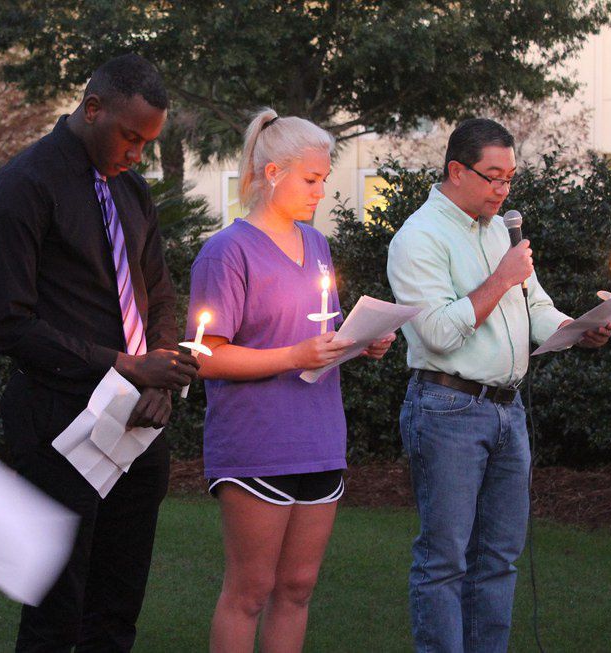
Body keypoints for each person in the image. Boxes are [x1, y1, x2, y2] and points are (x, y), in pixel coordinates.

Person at [0, 53, 199, 652]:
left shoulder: (131, 190)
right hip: (58, 419)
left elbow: (158, 293)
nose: (138, 154)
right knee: (54, 613)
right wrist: (126, 364)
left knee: (117, 609)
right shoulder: (26, 184)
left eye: (148, 142)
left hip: (137, 423)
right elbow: (8, 324)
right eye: (131, 137)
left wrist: (159, 378)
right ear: (93, 108)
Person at [387, 118, 611, 652]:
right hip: (447, 407)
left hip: (508, 411)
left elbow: (535, 306)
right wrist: (502, 277)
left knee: (499, 558)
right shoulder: (418, 237)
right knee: (445, 561)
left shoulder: (499, 230)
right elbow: (438, 333)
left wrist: (578, 328)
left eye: (510, 178)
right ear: (456, 171)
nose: (503, 191)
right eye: (493, 177)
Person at [186, 109, 395, 653]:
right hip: (257, 441)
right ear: (273, 173)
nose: (321, 192)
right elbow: (205, 357)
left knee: (298, 587)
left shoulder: (317, 245)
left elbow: (320, 337)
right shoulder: (226, 253)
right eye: (311, 179)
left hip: (319, 437)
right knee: (250, 590)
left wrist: (361, 341)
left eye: (324, 179)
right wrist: (293, 355)